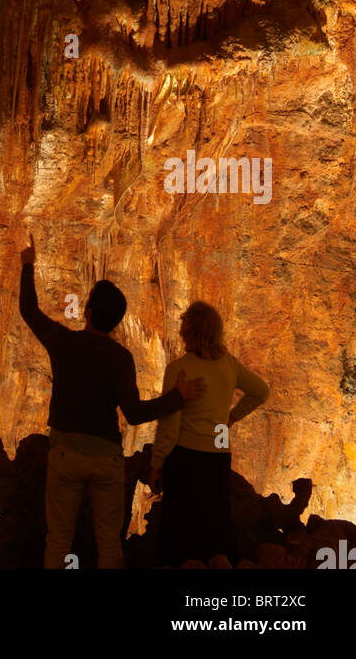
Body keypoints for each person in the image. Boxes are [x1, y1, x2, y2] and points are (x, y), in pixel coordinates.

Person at [19, 233, 206, 569]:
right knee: (109, 545)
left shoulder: (63, 343)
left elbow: (29, 310)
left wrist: (28, 264)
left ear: (88, 312)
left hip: (65, 454)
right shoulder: (121, 358)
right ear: (116, 321)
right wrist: (178, 397)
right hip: (105, 460)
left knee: (58, 539)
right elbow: (134, 414)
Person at [148, 301, 270, 566]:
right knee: (215, 530)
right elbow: (262, 391)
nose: (180, 333)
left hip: (186, 457)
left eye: (183, 327)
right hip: (218, 454)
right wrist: (231, 418)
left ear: (192, 332)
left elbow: (169, 425)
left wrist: (156, 465)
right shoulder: (229, 365)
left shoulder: (179, 368)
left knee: (179, 534)